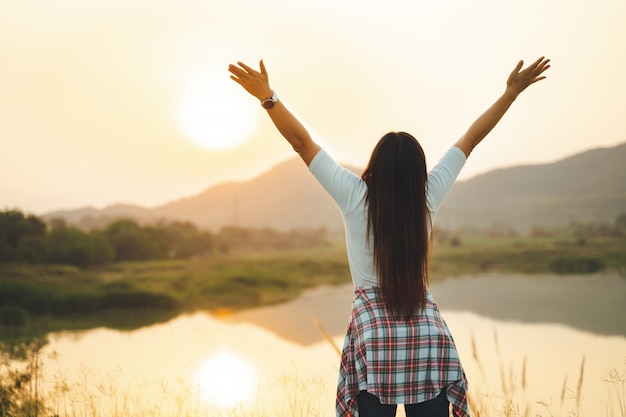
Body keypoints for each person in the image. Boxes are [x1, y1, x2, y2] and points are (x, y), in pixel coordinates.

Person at [229, 56, 550, 417]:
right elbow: (471, 140)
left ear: (375, 165)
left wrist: (268, 98)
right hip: (427, 337)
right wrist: (510, 94)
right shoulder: (427, 195)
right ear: (418, 170)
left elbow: (302, 144)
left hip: (374, 337)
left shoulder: (354, 195)